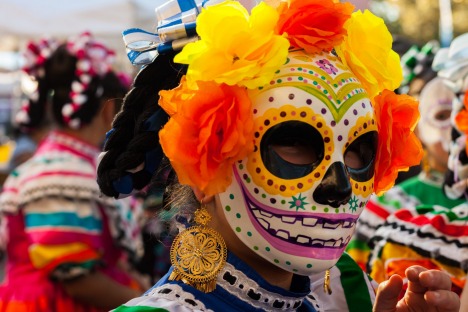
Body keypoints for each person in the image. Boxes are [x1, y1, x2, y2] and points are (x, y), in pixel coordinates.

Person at [97, 0, 460, 311]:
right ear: (204, 167)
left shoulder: (350, 293)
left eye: (357, 151)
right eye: (295, 143)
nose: (340, 186)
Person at [0, 32, 145, 311]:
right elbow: (78, 279)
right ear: (109, 110)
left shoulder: (58, 167)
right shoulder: (62, 176)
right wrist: (150, 304)